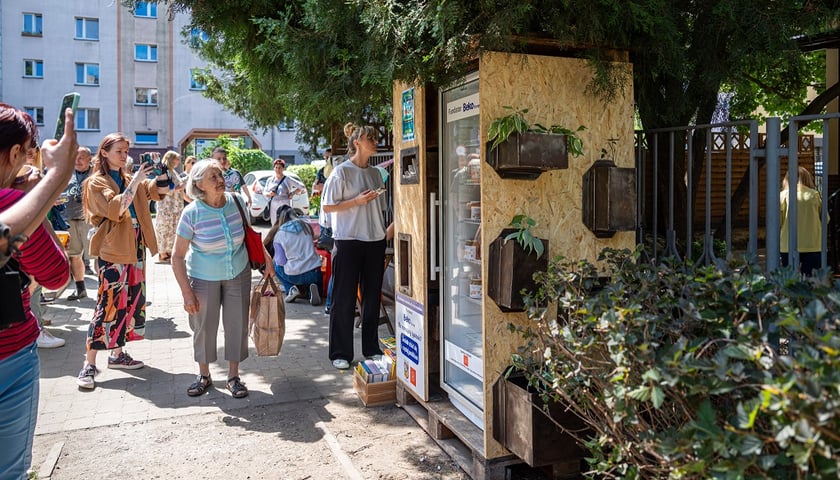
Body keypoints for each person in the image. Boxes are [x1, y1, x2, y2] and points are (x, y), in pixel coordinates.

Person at [0, 103, 76, 479]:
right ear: (15, 153)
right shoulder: (13, 203)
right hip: (9, 354)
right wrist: (49, 184)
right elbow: (55, 274)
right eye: (29, 152)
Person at [172, 159, 274, 398]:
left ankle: (233, 376)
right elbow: (176, 257)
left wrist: (267, 261)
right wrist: (187, 292)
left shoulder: (237, 201)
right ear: (199, 185)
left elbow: (251, 237)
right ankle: (204, 375)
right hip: (203, 277)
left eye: (220, 175)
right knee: (204, 327)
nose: (220, 181)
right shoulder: (192, 213)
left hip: (238, 273)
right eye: (213, 177)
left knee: (237, 325)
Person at [76, 134, 170, 389]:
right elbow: (117, 208)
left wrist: (161, 172)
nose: (124, 155)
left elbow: (159, 191)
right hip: (114, 250)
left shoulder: (129, 178)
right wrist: (138, 178)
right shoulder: (96, 182)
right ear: (104, 153)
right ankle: (89, 364)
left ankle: (117, 355)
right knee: (107, 306)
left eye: (126, 151)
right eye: (119, 150)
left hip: (135, 249)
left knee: (129, 304)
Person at [322, 123, 388, 370]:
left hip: (375, 239)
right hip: (348, 239)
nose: (375, 141)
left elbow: (378, 210)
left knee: (372, 297)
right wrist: (356, 201)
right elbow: (327, 207)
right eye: (370, 137)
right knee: (344, 297)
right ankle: (340, 352)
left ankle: (371, 348)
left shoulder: (375, 174)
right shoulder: (341, 172)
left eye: (375, 137)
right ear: (357, 141)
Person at [780, 166, 826, 276]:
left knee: (789, 282)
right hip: (813, 244)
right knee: (811, 282)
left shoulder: (783, 195)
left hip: (788, 244)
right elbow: (824, 219)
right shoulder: (815, 195)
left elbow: (778, 222)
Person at [272, 205, 322, 305]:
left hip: (294, 275)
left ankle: (291, 288)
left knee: (276, 265)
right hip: (314, 272)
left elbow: (281, 261)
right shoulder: (306, 226)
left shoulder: (279, 235)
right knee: (314, 276)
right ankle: (311, 291)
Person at [62, 146, 94, 300]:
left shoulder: (97, 173)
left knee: (96, 256)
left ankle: (104, 289)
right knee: (74, 255)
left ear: (90, 159)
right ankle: (80, 289)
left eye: (82, 157)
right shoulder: (67, 172)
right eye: (75, 157)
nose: (78, 161)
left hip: (89, 220)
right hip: (69, 218)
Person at [153, 150, 186, 264]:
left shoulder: (172, 171)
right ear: (171, 159)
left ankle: (168, 252)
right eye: (176, 159)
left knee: (172, 229)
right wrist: (180, 186)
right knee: (164, 229)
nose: (178, 161)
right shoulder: (164, 171)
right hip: (166, 207)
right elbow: (164, 189)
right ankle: (162, 254)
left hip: (174, 207)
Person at [264, 158, 306, 225]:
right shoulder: (270, 180)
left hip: (284, 206)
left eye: (280, 168)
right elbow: (264, 192)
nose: (278, 169)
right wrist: (269, 194)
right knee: (274, 225)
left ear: (283, 168)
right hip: (273, 206)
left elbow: (302, 186)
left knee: (284, 224)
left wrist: (292, 193)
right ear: (274, 168)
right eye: (276, 167)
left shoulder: (287, 179)